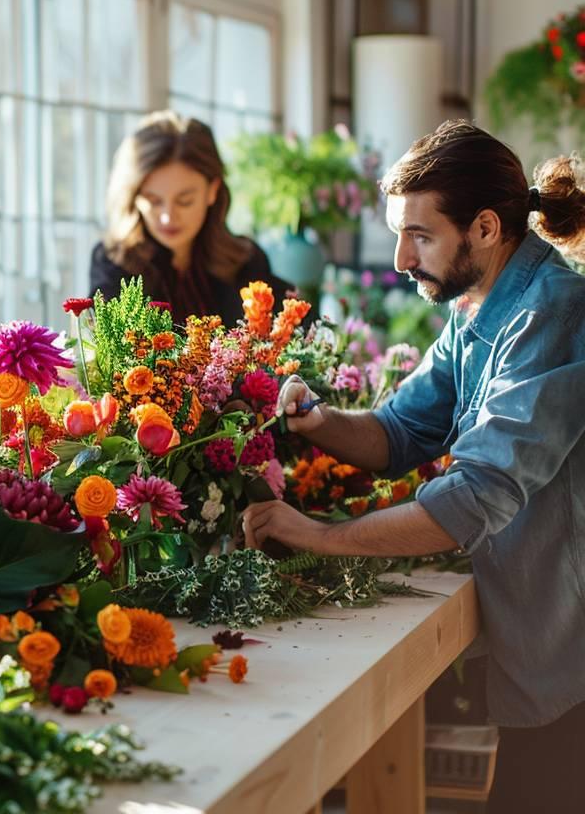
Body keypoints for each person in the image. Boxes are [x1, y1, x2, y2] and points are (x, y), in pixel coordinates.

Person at [241, 121, 585, 812]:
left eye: (419, 235)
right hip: (536, 632)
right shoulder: (479, 305)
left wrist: (318, 535)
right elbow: (402, 431)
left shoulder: (553, 312)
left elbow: (477, 496)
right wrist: (318, 421)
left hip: (568, 651)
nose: (400, 257)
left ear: (484, 227)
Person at [90, 111, 292, 325]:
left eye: (184, 201)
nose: (167, 218)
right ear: (133, 196)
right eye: (153, 201)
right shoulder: (114, 265)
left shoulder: (246, 262)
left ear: (212, 191)